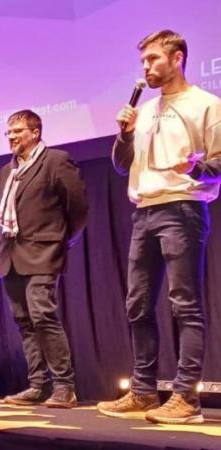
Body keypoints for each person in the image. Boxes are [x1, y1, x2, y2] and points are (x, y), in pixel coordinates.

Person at [97, 30, 221, 424]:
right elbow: (120, 166)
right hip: (144, 210)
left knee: (185, 304)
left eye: (152, 59)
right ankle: (144, 391)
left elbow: (219, 163)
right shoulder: (144, 110)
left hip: (182, 208)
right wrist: (124, 134)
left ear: (178, 58)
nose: (146, 68)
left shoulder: (206, 105)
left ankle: (186, 398)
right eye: (143, 63)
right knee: (137, 305)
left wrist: (195, 166)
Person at [0, 110, 88, 409]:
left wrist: (61, 240)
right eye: (8, 132)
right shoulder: (5, 172)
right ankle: (38, 384)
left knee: (42, 315)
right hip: (10, 254)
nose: (11, 137)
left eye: (18, 131)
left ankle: (65, 386)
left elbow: (78, 207)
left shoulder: (56, 160)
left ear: (35, 132)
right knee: (24, 321)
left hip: (44, 251)